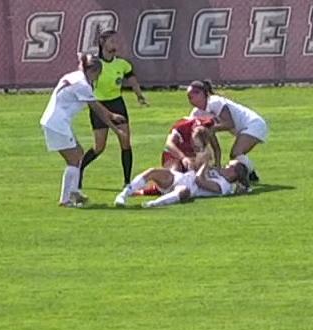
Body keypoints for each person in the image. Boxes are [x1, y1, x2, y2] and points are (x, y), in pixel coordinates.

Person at [39, 53, 126, 207]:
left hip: (56, 122)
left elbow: (97, 105)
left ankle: (74, 193)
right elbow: (97, 109)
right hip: (57, 123)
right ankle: (65, 200)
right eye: (97, 75)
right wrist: (115, 129)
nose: (97, 79)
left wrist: (111, 115)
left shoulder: (75, 76)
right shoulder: (83, 85)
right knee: (73, 160)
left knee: (78, 153)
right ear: (93, 71)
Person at [79, 30, 149, 189]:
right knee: (99, 147)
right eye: (112, 41)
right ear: (103, 43)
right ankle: (78, 169)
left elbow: (132, 80)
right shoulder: (96, 65)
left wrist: (139, 95)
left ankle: (127, 182)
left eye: (116, 41)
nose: (115, 44)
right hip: (99, 105)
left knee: (125, 142)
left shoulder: (122, 64)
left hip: (117, 104)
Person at [187, 80, 267, 182]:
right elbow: (212, 141)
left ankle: (250, 175)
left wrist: (209, 129)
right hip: (243, 129)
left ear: (203, 94)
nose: (190, 99)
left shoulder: (215, 102)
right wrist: (217, 163)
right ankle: (251, 175)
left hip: (254, 124)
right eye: (188, 97)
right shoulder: (196, 114)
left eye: (193, 95)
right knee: (236, 154)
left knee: (236, 153)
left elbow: (229, 124)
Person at [114, 160, 250, 208]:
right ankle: (123, 195)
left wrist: (204, 165)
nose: (226, 166)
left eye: (229, 166)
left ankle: (154, 204)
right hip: (180, 177)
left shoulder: (224, 186)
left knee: (184, 191)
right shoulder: (219, 173)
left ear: (234, 173)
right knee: (152, 172)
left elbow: (199, 181)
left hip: (188, 187)